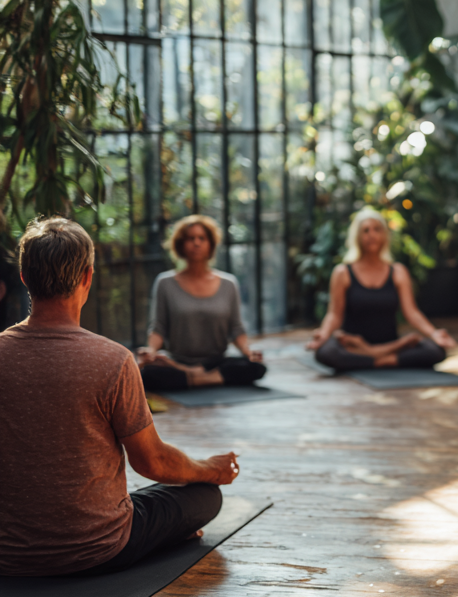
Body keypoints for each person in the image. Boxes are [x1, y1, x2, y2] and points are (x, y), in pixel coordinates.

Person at [0, 217, 237, 577]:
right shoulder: (113, 359)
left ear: (23, 277)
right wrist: (210, 469)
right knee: (205, 495)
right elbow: (152, 463)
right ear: (87, 277)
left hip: (9, 554)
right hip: (100, 548)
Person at [309, 208, 455, 371]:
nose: (371, 234)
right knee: (325, 352)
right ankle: (387, 359)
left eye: (377, 229)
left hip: (390, 344)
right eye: (366, 230)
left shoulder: (398, 271)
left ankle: (372, 358)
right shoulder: (342, 272)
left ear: (384, 234)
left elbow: (411, 312)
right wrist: (323, 334)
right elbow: (334, 314)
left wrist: (434, 333)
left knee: (435, 350)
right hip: (353, 345)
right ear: (357, 236)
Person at [138, 215, 266, 391]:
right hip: (178, 361)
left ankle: (193, 378)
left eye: (202, 238)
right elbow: (158, 327)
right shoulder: (165, 283)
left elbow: (236, 328)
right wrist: (151, 351)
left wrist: (248, 352)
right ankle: (208, 378)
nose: (196, 243)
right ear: (181, 244)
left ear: (211, 244)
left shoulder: (229, 283)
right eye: (190, 238)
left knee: (257, 368)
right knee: (147, 374)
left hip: (216, 362)